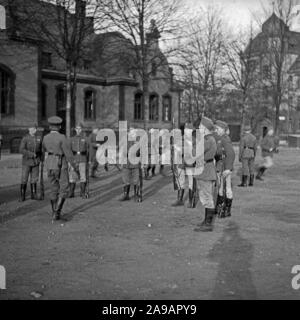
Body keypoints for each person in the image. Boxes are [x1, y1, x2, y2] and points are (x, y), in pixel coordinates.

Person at [42, 116, 74, 221]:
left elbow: (43, 149)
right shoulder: (62, 137)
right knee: (64, 187)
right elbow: (68, 153)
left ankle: (53, 211)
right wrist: (74, 165)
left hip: (50, 162)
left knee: (53, 187)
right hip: (61, 163)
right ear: (59, 126)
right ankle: (57, 213)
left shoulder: (45, 137)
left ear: (50, 126)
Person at [194, 116, 217, 232]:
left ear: (205, 128)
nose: (198, 128)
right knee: (205, 196)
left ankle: (208, 224)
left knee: (207, 197)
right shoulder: (208, 139)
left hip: (205, 171)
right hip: (205, 170)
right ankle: (206, 221)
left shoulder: (207, 140)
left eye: (200, 126)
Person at [172, 122, 196, 208]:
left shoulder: (195, 140)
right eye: (186, 130)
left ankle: (191, 201)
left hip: (190, 163)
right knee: (180, 181)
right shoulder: (181, 139)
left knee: (191, 182)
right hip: (181, 162)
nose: (187, 131)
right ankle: (179, 199)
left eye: (188, 130)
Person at [214, 120, 235, 218]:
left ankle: (226, 210)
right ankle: (220, 208)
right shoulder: (220, 138)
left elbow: (231, 154)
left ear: (222, 129)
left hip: (225, 166)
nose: (216, 130)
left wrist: (228, 168)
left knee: (227, 189)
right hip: (220, 165)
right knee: (221, 188)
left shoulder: (225, 139)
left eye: (217, 128)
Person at [19, 124, 43, 201]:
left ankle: (34, 194)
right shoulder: (25, 138)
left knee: (34, 179)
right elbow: (21, 150)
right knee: (24, 179)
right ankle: (22, 196)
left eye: (35, 129)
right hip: (27, 161)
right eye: (32, 129)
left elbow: (41, 149)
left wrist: (42, 159)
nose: (34, 130)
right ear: (29, 129)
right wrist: (31, 154)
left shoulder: (38, 138)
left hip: (36, 162)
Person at [119, 127, 142, 202]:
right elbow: (122, 151)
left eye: (135, 132)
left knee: (136, 180)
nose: (134, 134)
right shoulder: (124, 140)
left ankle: (136, 195)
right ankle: (126, 195)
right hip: (126, 163)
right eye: (132, 132)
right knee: (125, 180)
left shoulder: (139, 141)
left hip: (135, 163)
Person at [68, 123, 89, 199]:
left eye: (80, 128)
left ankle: (82, 192)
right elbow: (69, 151)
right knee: (72, 176)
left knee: (83, 176)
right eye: (77, 129)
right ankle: (71, 192)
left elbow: (88, 150)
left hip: (83, 160)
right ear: (75, 130)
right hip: (74, 160)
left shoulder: (85, 139)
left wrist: (88, 160)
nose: (78, 130)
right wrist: (70, 161)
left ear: (82, 129)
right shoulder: (71, 139)